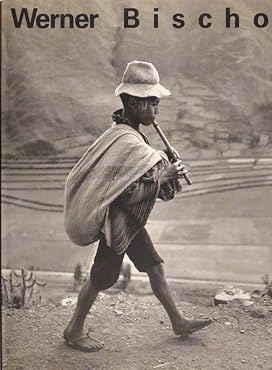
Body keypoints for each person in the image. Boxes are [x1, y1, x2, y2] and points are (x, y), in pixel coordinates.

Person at [63, 60, 212, 352]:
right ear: (134, 103)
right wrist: (164, 175)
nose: (157, 111)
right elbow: (125, 194)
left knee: (154, 268)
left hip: (130, 222)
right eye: (153, 103)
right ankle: (74, 329)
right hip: (117, 225)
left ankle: (178, 321)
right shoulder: (127, 142)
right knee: (101, 277)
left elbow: (139, 185)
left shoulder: (130, 137)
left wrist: (163, 166)